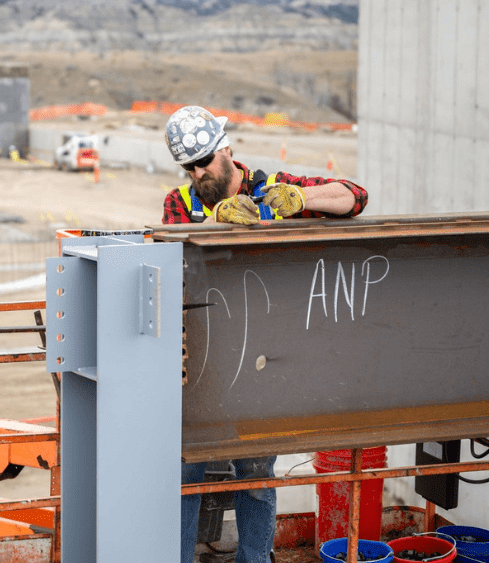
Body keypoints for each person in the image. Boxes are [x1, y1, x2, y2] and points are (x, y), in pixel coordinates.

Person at [162, 106, 368, 563]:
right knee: (187, 471)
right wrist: (215, 223)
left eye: (204, 162)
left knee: (256, 474)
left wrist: (300, 200)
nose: (198, 173)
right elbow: (170, 254)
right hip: (202, 361)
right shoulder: (180, 203)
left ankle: (255, 559)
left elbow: (355, 197)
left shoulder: (271, 188)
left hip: (262, 359)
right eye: (190, 166)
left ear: (226, 149)